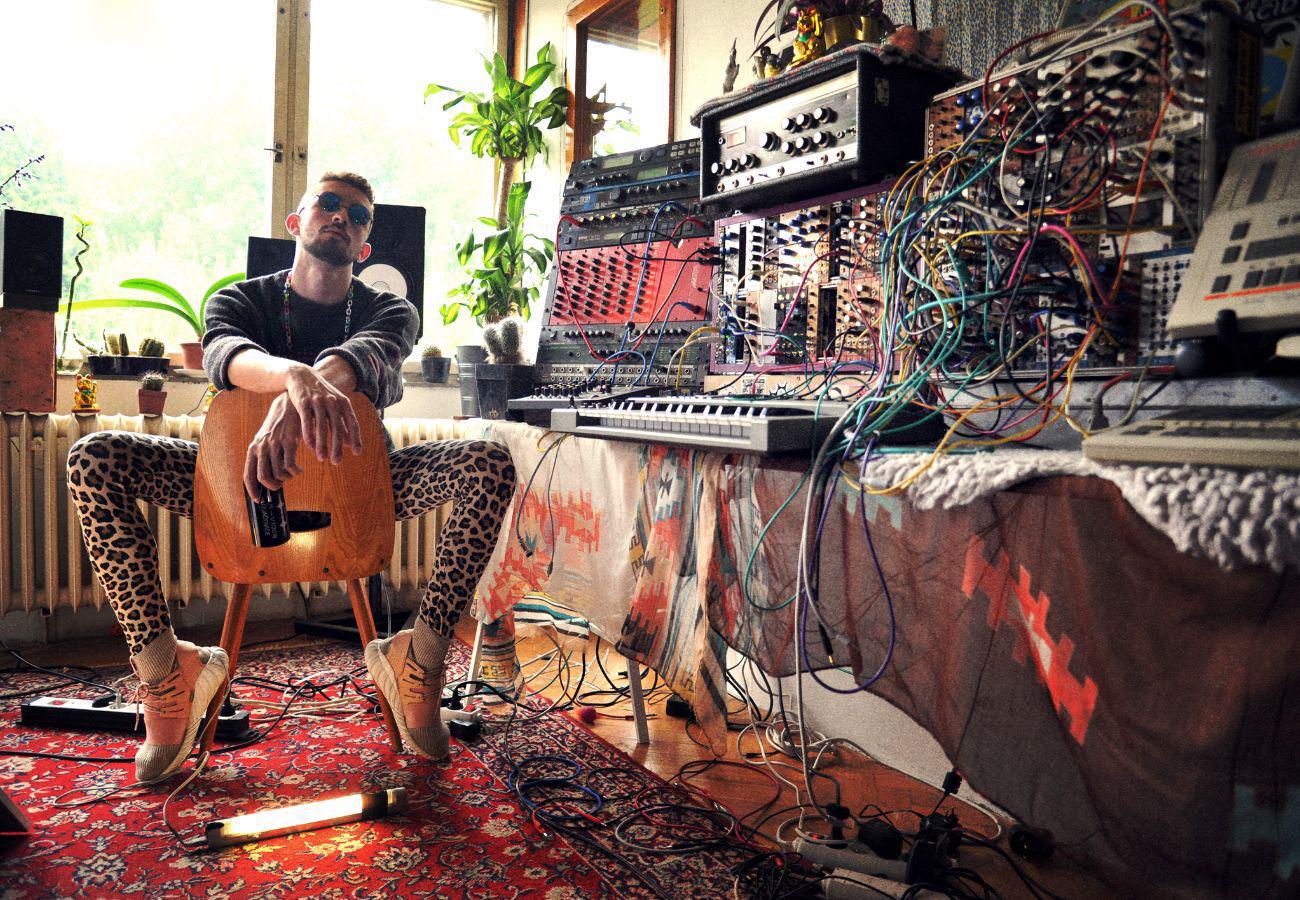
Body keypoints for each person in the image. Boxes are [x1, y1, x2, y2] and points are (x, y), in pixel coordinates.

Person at [66, 172, 516, 783]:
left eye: (357, 214)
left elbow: (368, 356)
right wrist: (293, 379)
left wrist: (290, 403)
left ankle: (423, 658)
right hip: (236, 480)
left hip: (363, 482)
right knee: (94, 457)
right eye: (327, 204)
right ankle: (165, 672)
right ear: (295, 222)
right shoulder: (237, 300)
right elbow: (227, 356)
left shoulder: (391, 309)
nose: (341, 216)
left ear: (365, 244)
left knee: (488, 463)